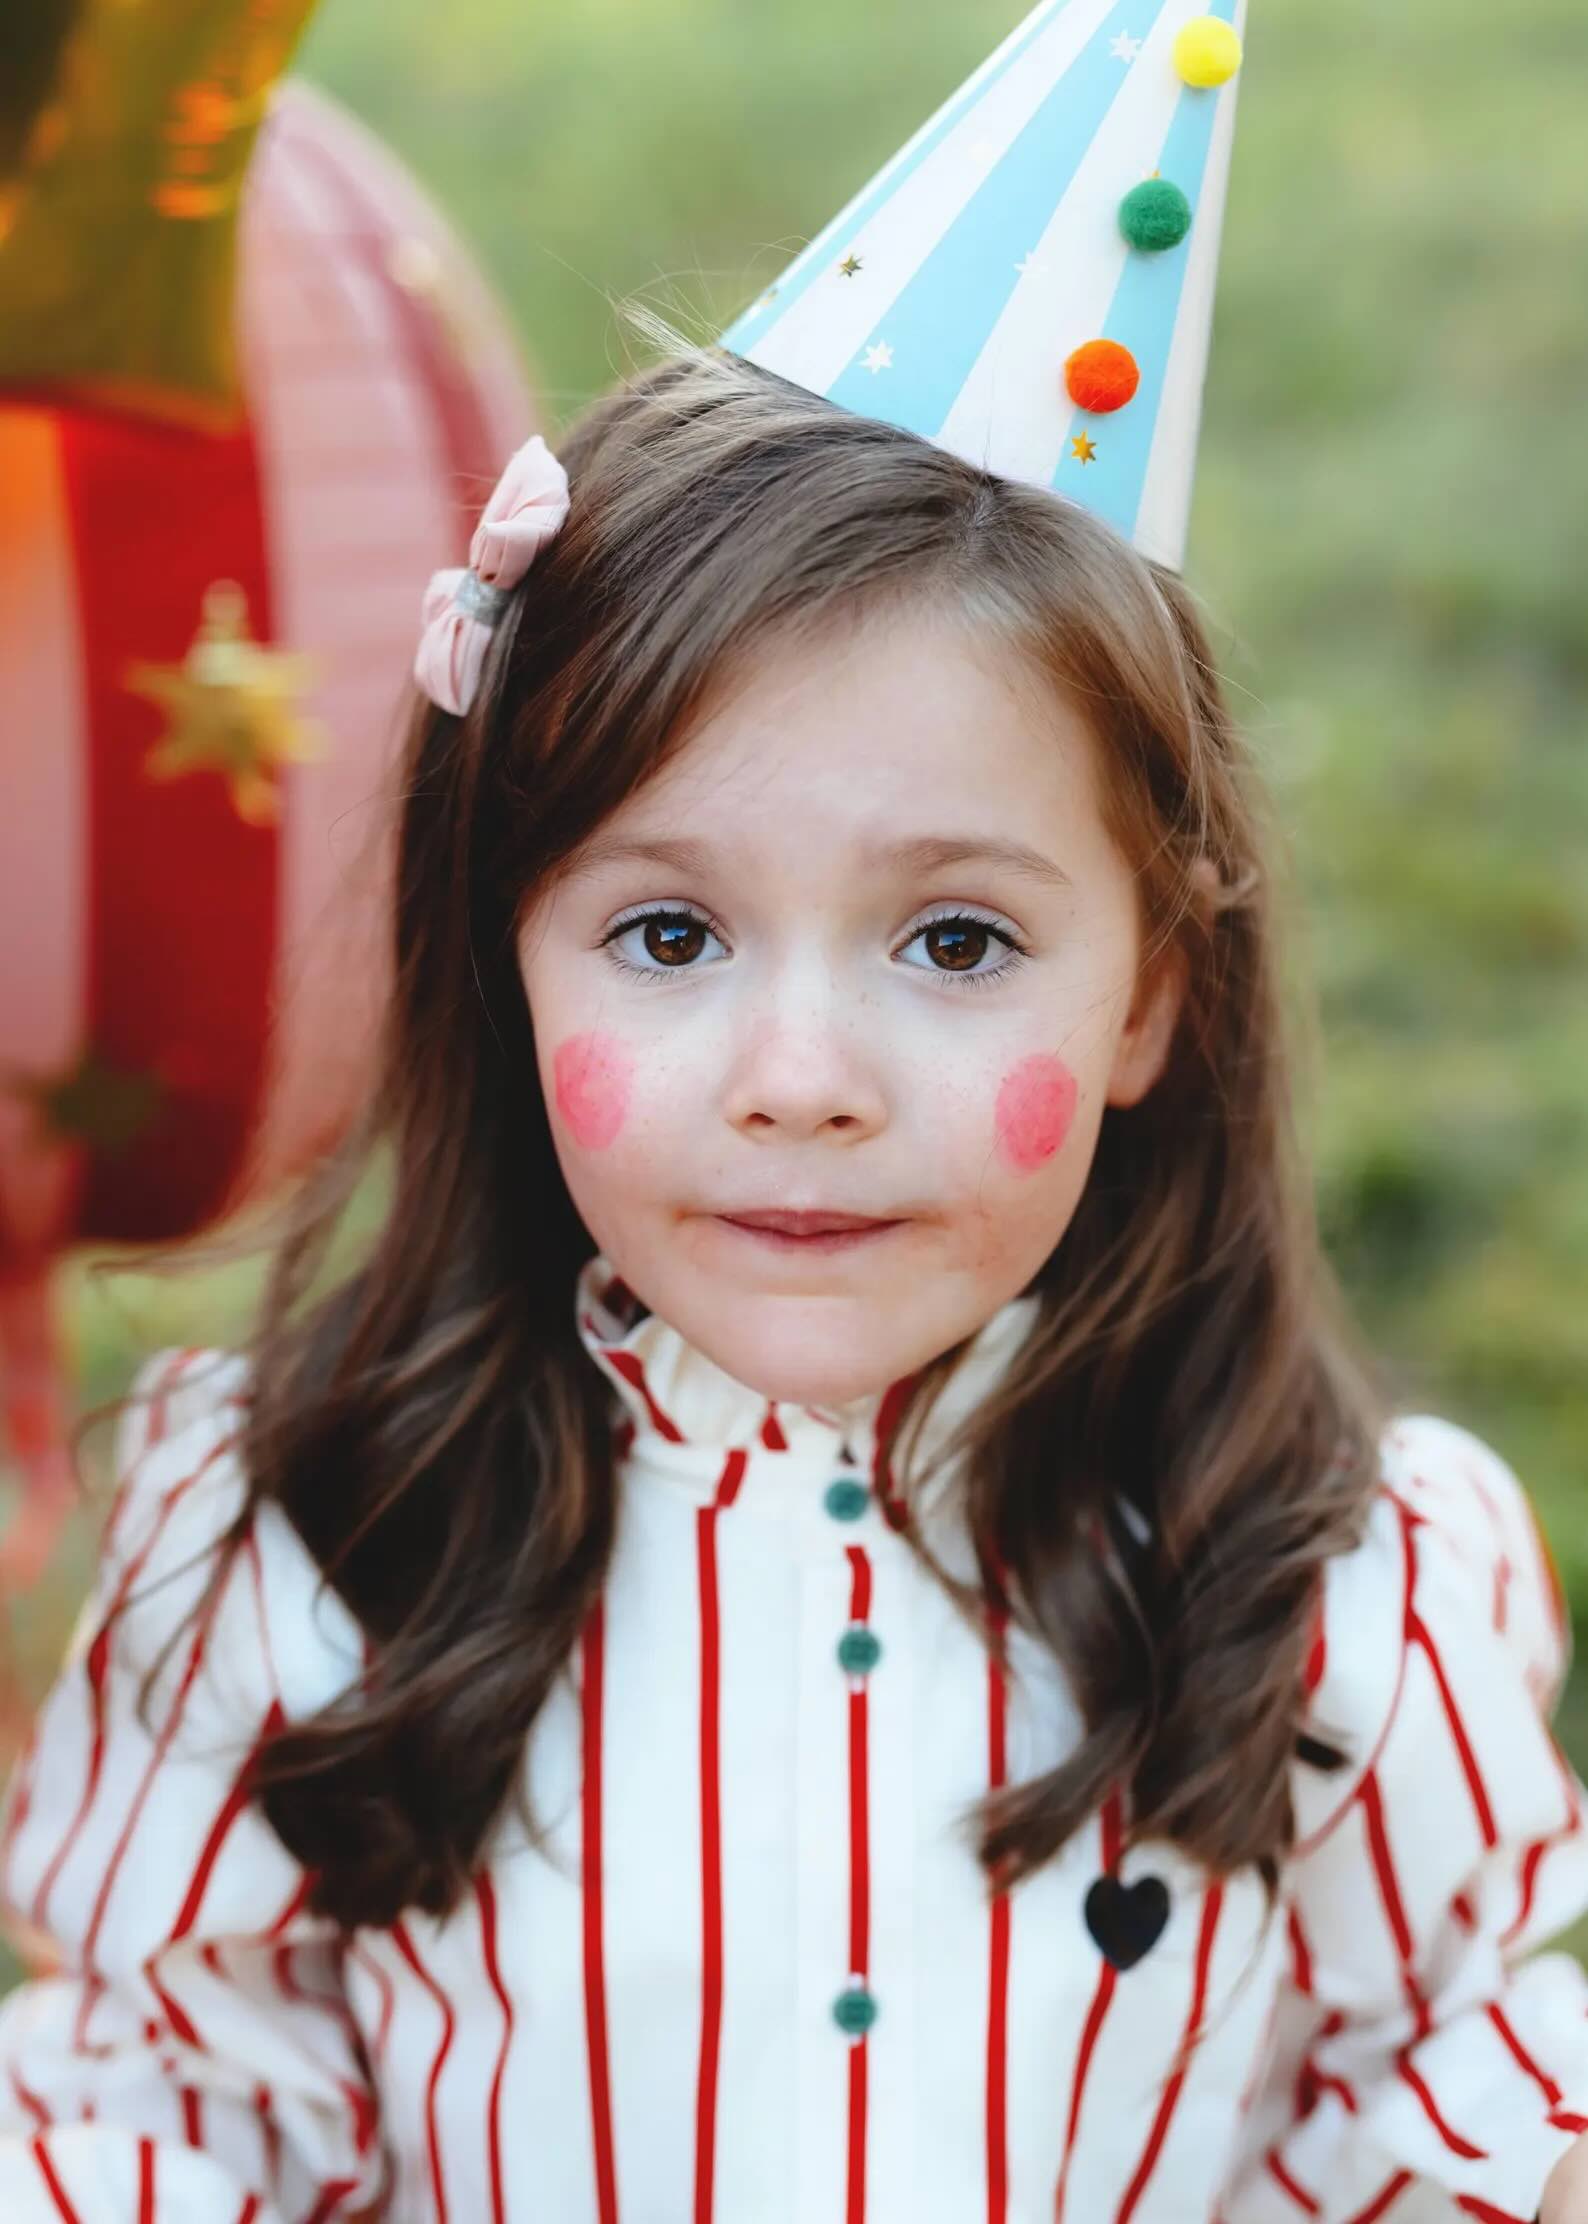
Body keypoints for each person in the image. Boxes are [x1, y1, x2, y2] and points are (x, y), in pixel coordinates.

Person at [6, 6, 1588, 2221]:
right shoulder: (310, 1555)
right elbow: (163, 2103)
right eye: (667, 935)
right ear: (503, 950)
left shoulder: (1327, 1578)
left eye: (952, 940)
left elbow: (1438, 2092)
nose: (801, 1080)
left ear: (1152, 985)